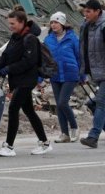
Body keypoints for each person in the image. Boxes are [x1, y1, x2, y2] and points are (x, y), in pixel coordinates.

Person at [0, 5, 52, 157]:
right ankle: (44, 143)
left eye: (13, 24)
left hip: (27, 79)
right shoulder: (15, 37)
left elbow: (28, 61)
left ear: (22, 22)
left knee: (13, 109)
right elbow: (6, 55)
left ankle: (9, 146)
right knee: (29, 111)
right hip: (18, 79)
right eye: (9, 23)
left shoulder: (30, 39)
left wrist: (9, 69)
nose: (10, 26)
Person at [40, 12, 82, 143]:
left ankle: (74, 127)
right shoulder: (48, 40)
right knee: (58, 105)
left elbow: (79, 57)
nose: (53, 25)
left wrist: (83, 74)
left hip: (70, 73)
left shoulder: (72, 38)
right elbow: (44, 61)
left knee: (63, 102)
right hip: (55, 75)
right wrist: (40, 79)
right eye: (51, 22)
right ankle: (64, 133)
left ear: (62, 24)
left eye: (56, 22)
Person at [79, 0, 105, 148]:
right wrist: (82, 71)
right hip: (97, 73)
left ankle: (93, 137)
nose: (85, 14)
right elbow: (83, 49)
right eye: (85, 11)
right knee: (92, 103)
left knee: (101, 102)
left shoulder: (103, 26)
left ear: (97, 11)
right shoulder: (87, 27)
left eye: (89, 11)